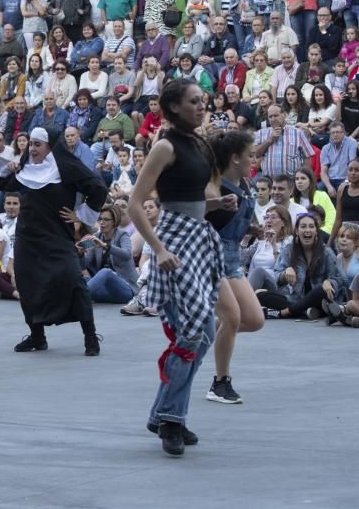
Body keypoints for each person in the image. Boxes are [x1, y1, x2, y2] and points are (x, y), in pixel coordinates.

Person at [126, 78, 224, 457]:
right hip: (175, 241)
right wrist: (158, 249)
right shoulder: (164, 146)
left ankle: (168, 412)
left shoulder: (198, 142)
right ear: (174, 109)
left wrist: (215, 206)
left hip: (197, 236)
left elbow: (191, 195)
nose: (201, 106)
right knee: (193, 332)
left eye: (203, 100)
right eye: (194, 101)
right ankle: (170, 418)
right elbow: (136, 203)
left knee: (203, 332)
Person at [0, 125, 107, 355]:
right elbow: (0, 185)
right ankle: (37, 337)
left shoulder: (65, 168)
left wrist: (82, 214)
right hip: (28, 237)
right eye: (30, 144)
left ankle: (90, 336)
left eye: (37, 144)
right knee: (26, 284)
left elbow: (97, 188)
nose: (32, 148)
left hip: (56, 236)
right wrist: (8, 170)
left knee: (73, 280)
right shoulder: (24, 168)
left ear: (50, 146)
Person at [205, 131, 264, 405]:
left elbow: (235, 222)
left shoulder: (246, 183)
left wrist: (251, 228)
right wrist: (216, 203)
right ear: (235, 158)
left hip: (232, 257)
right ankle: (220, 383)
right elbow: (193, 209)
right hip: (209, 256)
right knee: (232, 318)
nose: (254, 159)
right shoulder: (214, 183)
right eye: (250, 155)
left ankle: (203, 335)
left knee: (254, 319)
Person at [82, 204, 137, 303]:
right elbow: (85, 263)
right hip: (105, 293)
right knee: (82, 279)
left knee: (105, 272)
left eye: (106, 219)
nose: (102, 222)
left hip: (124, 290)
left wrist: (105, 246)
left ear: (114, 222)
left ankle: (78, 298)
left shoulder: (122, 235)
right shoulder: (95, 236)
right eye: (100, 219)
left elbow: (127, 254)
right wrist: (79, 253)